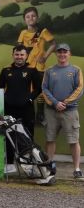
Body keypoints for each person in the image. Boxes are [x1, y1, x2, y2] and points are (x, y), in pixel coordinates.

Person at [0, 45, 42, 173]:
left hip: (26, 110)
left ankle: (29, 166)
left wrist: (29, 99)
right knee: (9, 135)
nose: (19, 57)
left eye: (22, 54)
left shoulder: (32, 70)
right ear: (13, 55)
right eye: (17, 54)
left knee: (27, 137)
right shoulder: (6, 71)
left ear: (26, 56)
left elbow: (39, 89)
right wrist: (5, 99)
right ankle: (10, 164)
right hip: (9, 109)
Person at [41, 43, 83, 179]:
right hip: (51, 111)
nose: (62, 54)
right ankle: (49, 166)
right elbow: (44, 89)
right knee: (50, 139)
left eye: (65, 52)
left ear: (69, 54)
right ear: (56, 54)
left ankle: (77, 169)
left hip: (69, 111)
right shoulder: (49, 70)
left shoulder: (76, 70)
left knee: (73, 140)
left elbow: (80, 88)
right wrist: (55, 103)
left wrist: (65, 102)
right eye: (59, 52)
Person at [17, 6, 56, 122]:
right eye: (28, 17)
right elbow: (19, 49)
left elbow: (53, 44)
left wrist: (45, 56)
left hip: (39, 67)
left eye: (33, 16)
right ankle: (26, 115)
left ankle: (40, 115)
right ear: (25, 20)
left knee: (40, 91)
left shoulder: (43, 32)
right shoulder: (23, 33)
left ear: (37, 18)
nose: (31, 18)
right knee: (25, 90)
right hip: (26, 67)